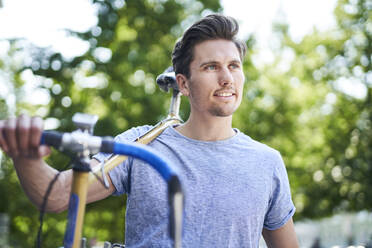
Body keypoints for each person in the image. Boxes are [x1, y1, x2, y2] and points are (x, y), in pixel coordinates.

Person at [0, 14, 299, 247]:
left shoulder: (266, 162)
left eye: (234, 66)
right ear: (182, 83)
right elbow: (58, 196)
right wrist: (26, 157)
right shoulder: (142, 144)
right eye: (210, 67)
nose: (226, 78)